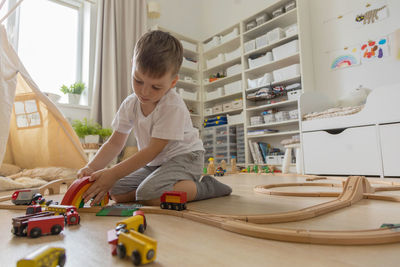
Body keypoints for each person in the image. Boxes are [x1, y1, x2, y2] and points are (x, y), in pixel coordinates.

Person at [78, 30, 232, 205]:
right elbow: (115, 143)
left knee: (149, 195)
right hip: (155, 163)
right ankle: (152, 190)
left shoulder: (172, 105)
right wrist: (91, 168)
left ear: (172, 82)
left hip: (186, 158)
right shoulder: (130, 104)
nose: (144, 92)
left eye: (156, 87)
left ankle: (206, 187)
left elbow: (153, 150)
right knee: (115, 190)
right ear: (132, 67)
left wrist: (113, 173)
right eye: (138, 80)